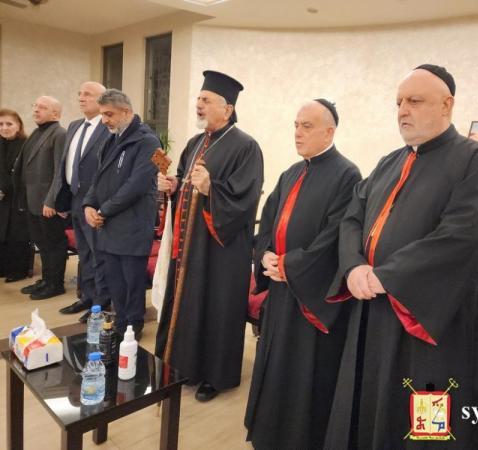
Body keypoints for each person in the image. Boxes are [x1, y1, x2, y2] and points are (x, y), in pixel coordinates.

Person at [324, 65, 478, 449]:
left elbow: (461, 238)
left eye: (415, 101)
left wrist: (384, 275)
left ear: (446, 105)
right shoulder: (389, 162)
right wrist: (353, 266)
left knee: (425, 421)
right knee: (367, 409)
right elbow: (352, 217)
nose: (403, 110)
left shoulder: (477, 162)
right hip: (372, 310)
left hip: (429, 322)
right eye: (399, 102)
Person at [245, 99, 361, 449]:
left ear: (329, 131)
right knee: (275, 361)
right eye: (296, 125)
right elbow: (267, 222)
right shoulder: (291, 173)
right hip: (281, 289)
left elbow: (335, 237)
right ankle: (269, 431)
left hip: (311, 295)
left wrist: (290, 265)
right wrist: (265, 256)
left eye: (306, 126)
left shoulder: (347, 175)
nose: (297, 133)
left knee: (304, 370)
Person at [155, 70, 264, 402]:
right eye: (198, 99)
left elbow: (246, 199)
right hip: (190, 247)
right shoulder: (195, 143)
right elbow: (183, 182)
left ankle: (215, 377)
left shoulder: (246, 147)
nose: (198, 104)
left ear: (227, 109)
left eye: (206, 100)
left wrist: (211, 189)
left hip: (221, 251)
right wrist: (172, 186)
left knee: (217, 309)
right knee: (189, 305)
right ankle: (186, 366)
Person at [82, 89, 159, 340]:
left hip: (132, 224)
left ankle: (133, 325)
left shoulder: (148, 141)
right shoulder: (111, 138)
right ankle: (121, 320)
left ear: (126, 112)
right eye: (103, 115)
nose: (104, 120)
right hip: (109, 224)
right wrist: (89, 204)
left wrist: (103, 210)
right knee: (114, 280)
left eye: (109, 114)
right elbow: (98, 178)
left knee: (132, 281)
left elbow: (136, 186)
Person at [48, 81, 112, 323]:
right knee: (84, 253)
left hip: (95, 203)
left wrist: (98, 203)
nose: (81, 98)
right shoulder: (75, 126)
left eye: (88, 94)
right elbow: (65, 164)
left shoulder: (108, 128)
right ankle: (87, 296)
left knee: (98, 254)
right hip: (75, 199)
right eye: (80, 94)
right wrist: (61, 199)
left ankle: (101, 303)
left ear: (102, 100)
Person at [13, 96, 68, 300]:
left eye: (42, 107)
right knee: (42, 244)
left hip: (47, 202)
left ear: (56, 114)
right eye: (35, 106)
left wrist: (52, 201)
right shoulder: (36, 133)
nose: (36, 110)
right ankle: (46, 279)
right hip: (32, 200)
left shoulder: (60, 134)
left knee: (54, 243)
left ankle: (56, 284)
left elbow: (60, 171)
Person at [0, 109, 30, 282]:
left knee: (16, 235)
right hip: (1, 197)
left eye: (9, 124)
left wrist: (4, 189)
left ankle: (17, 271)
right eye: (1, 124)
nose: (4, 128)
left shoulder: (25, 145)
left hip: (18, 196)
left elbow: (21, 173)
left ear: (18, 126)